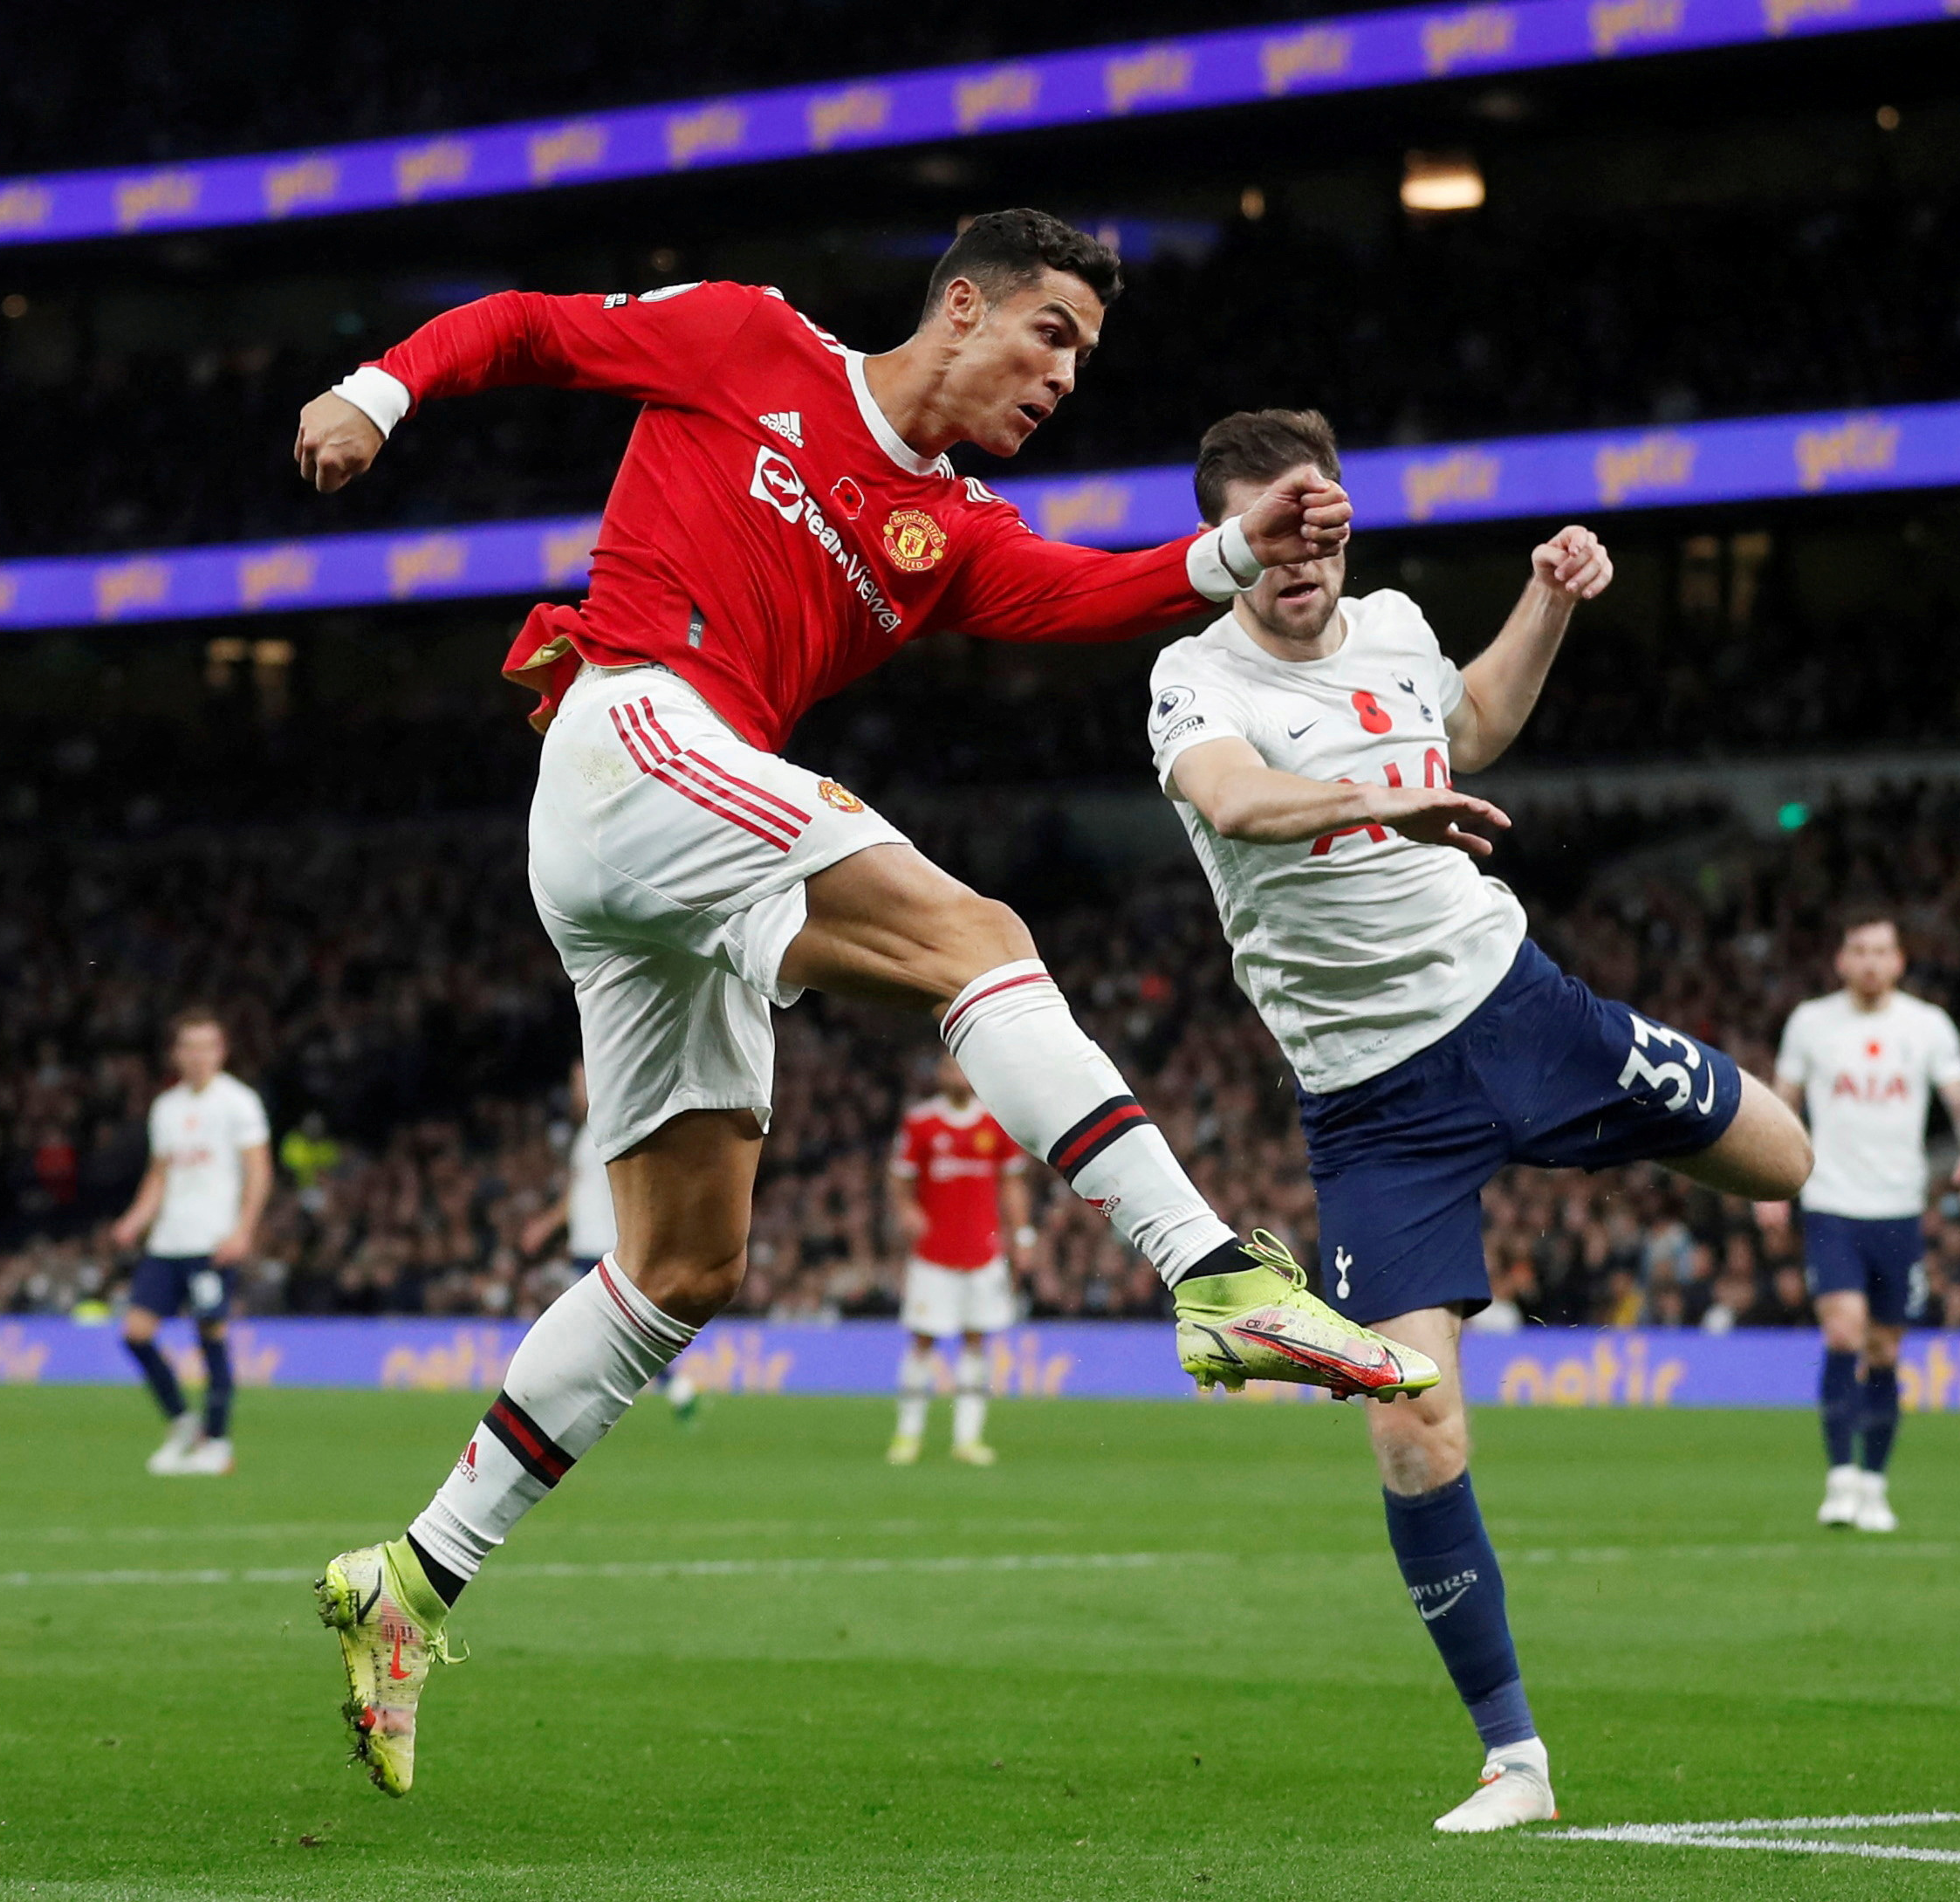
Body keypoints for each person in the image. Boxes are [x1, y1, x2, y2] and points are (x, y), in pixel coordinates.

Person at [289, 211, 1437, 1797]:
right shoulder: (752, 340)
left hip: (672, 857)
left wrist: (1245, 553)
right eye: (1047, 333)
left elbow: (1096, 592)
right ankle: (1216, 1272)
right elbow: (529, 323)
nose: (1062, 374)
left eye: (1085, 357)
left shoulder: (952, 528)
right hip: (635, 727)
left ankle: (407, 1577)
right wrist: (377, 391)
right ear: (960, 306)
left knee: (685, 1263)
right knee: (976, 932)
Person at [1149, 409, 1813, 1833]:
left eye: (1317, 526)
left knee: (1784, 1159)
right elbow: (1236, 800)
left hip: (1524, 1010)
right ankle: (1516, 1757)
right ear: (1226, 547)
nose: (1299, 557)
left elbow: (1474, 724)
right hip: (1376, 1106)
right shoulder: (1190, 677)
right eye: (1269, 533)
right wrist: (1383, 800)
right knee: (1416, 1425)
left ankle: (1342, 1320)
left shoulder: (1391, 622)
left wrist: (1549, 600)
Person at [1758, 918, 1960, 1535]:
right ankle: (1838, 1479)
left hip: (1898, 1207)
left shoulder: (1926, 1025)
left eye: (1881, 951)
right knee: (1843, 1331)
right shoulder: (1810, 1022)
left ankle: (1873, 1484)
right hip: (1831, 1201)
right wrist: (1764, 1179)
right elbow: (1780, 1105)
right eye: (1858, 950)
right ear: (1840, 959)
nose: (1869, 961)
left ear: (1898, 960)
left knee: (1885, 1348)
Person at [105, 1009, 271, 1477]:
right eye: (190, 1046)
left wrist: (243, 1231)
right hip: (167, 1241)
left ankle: (217, 1442)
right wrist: (133, 1221)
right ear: (176, 1053)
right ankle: (183, 1422)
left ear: (221, 1051)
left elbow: (259, 1170)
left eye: (208, 1046)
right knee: (135, 1333)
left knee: (210, 1334)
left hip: (212, 1242)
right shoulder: (166, 1108)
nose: (199, 1056)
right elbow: (159, 1176)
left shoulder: (239, 1103)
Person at [519, 1062, 696, 1419]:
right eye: (573, 1082)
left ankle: (661, 1387)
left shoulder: (612, 1125)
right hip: (586, 1244)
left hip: (605, 1244)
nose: (576, 1090)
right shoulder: (587, 1133)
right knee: (608, 1330)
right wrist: (546, 1226)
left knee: (598, 1329)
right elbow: (577, 1195)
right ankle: (668, 1388)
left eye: (581, 1081)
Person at [886, 1052, 1033, 1466]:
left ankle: (967, 1438)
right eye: (950, 1068)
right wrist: (906, 1210)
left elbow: (1012, 1185)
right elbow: (899, 1178)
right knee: (923, 1341)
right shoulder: (921, 1122)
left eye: (964, 1067)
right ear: (939, 1074)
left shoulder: (994, 1122)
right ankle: (907, 1435)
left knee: (976, 1341)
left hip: (983, 1254)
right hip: (933, 1256)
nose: (958, 1075)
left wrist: (1022, 1235)